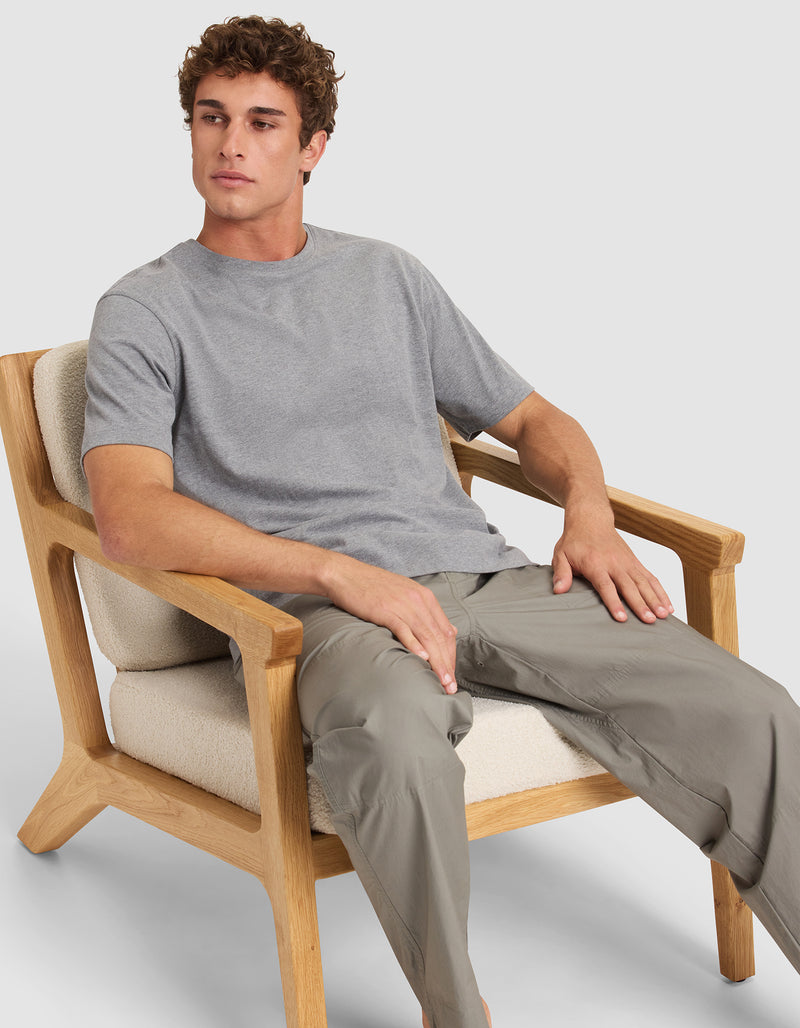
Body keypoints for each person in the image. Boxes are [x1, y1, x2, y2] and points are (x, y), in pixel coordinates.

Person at [80, 16, 800, 1028]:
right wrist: (337, 573)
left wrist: (586, 512)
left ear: (313, 146)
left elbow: (532, 419)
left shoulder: (385, 277)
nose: (229, 145)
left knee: (750, 707)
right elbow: (128, 518)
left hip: (493, 580)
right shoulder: (146, 312)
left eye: (261, 122)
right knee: (392, 741)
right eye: (209, 118)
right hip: (320, 615)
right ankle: (454, 1012)